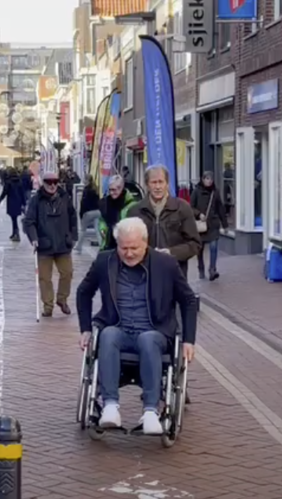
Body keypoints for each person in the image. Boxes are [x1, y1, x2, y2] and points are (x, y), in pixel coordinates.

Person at [76, 217, 198, 435]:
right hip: (119, 328)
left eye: (135, 248)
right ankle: (110, 406)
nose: (129, 253)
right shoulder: (105, 261)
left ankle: (151, 411)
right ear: (117, 244)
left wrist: (189, 340)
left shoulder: (165, 264)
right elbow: (83, 292)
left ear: (146, 242)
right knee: (108, 334)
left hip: (155, 331)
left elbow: (188, 300)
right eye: (124, 248)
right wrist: (85, 328)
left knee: (147, 339)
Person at [128, 164, 201, 277]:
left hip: (174, 275)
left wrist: (171, 253)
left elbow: (195, 244)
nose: (158, 187)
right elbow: (127, 245)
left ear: (167, 184)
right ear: (147, 185)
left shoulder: (182, 208)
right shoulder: (135, 211)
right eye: (154, 182)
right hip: (144, 276)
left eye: (161, 182)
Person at [24, 172, 78, 317]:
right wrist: (34, 238)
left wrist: (73, 237)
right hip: (44, 244)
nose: (52, 185)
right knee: (44, 278)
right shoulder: (36, 200)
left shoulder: (65, 197)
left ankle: (62, 299)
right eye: (49, 182)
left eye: (55, 182)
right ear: (43, 183)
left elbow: (73, 217)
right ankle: (48, 305)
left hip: (63, 244)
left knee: (67, 273)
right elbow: (29, 222)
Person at [190, 171, 228, 281]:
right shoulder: (196, 192)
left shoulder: (215, 193)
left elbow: (220, 208)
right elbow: (191, 207)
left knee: (213, 246)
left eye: (211, 179)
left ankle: (212, 269)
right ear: (203, 179)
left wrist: (224, 225)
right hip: (201, 226)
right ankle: (201, 267)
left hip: (213, 224)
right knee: (200, 249)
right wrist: (198, 214)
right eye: (207, 178)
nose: (209, 181)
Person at [97, 174, 139, 251]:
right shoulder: (105, 202)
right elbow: (101, 219)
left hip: (125, 243)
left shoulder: (132, 205)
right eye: (110, 190)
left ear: (121, 188)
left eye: (114, 190)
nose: (112, 192)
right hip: (108, 242)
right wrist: (102, 229)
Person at [0, 166, 26, 242]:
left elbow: (4, 192)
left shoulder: (8, 181)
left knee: (14, 219)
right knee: (14, 218)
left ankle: (17, 234)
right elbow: (22, 193)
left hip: (11, 201)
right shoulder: (19, 181)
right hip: (18, 202)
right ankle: (14, 233)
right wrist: (24, 203)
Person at [74, 179, 101, 254]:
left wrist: (81, 214)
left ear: (87, 181)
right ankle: (102, 246)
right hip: (97, 211)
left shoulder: (86, 190)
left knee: (82, 230)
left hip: (88, 212)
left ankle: (79, 247)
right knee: (97, 230)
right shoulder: (95, 189)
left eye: (85, 181)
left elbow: (83, 204)